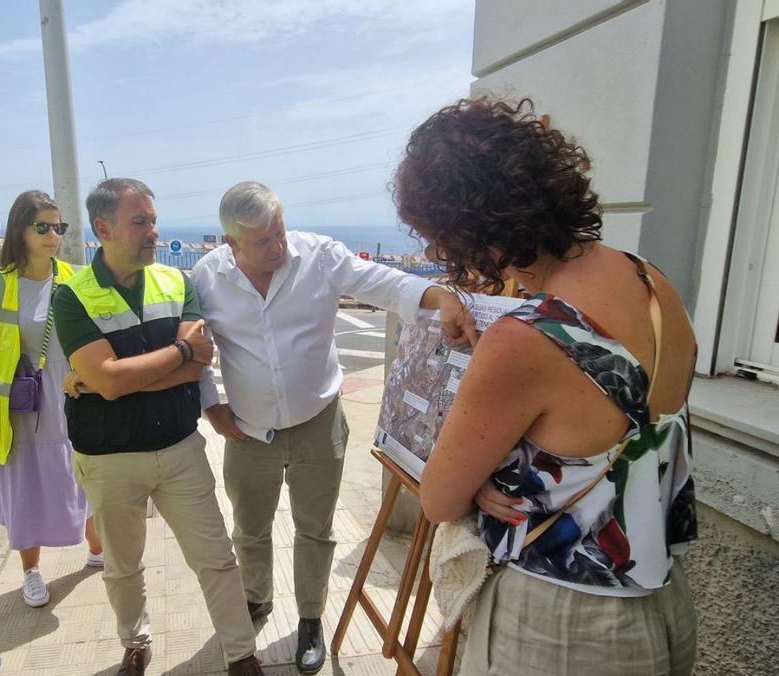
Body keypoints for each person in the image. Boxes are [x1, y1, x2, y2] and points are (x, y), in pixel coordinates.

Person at [399, 98, 698, 675]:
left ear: (466, 228)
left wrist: (482, 480)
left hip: (561, 624)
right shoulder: (652, 281)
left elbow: (438, 499)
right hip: (664, 606)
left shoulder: (527, 337)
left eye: (437, 238)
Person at [188, 181, 474, 674]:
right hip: (247, 432)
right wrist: (211, 406)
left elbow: (384, 283)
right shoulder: (207, 276)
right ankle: (256, 597)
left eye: (279, 232)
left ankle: (310, 618)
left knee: (315, 529)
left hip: (318, 423)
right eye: (262, 241)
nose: (277, 247)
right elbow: (196, 345)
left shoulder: (318, 256)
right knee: (250, 528)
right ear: (231, 243)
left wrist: (439, 296)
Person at [52, 178, 264, 676]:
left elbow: (193, 367)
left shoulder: (176, 281)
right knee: (122, 566)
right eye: (140, 222)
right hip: (109, 458)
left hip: (179, 448)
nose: (154, 231)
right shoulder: (72, 296)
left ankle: (241, 654)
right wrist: (176, 353)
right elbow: (113, 379)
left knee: (216, 558)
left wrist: (114, 380)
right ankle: (136, 644)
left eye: (153, 219)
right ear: (103, 228)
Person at [0, 190, 103, 609]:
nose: (53, 235)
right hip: (24, 403)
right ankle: (31, 571)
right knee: (29, 481)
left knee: (84, 471)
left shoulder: (77, 278)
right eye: (42, 227)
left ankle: (98, 549)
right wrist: (17, 376)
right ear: (20, 230)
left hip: (74, 392)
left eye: (59, 227)